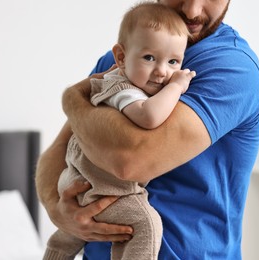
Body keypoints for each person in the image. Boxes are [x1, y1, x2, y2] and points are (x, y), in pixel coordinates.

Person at [35, 0, 259, 259]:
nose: (192, 10)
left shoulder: (232, 67)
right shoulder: (121, 58)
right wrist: (57, 209)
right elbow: (60, 149)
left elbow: (129, 163)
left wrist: (71, 99)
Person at [43, 2, 195, 260]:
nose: (161, 71)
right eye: (149, 58)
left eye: (173, 61)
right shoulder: (123, 89)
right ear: (121, 57)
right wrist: (176, 87)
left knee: (68, 236)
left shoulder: (122, 81)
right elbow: (149, 116)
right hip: (102, 188)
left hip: (79, 184)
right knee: (146, 224)